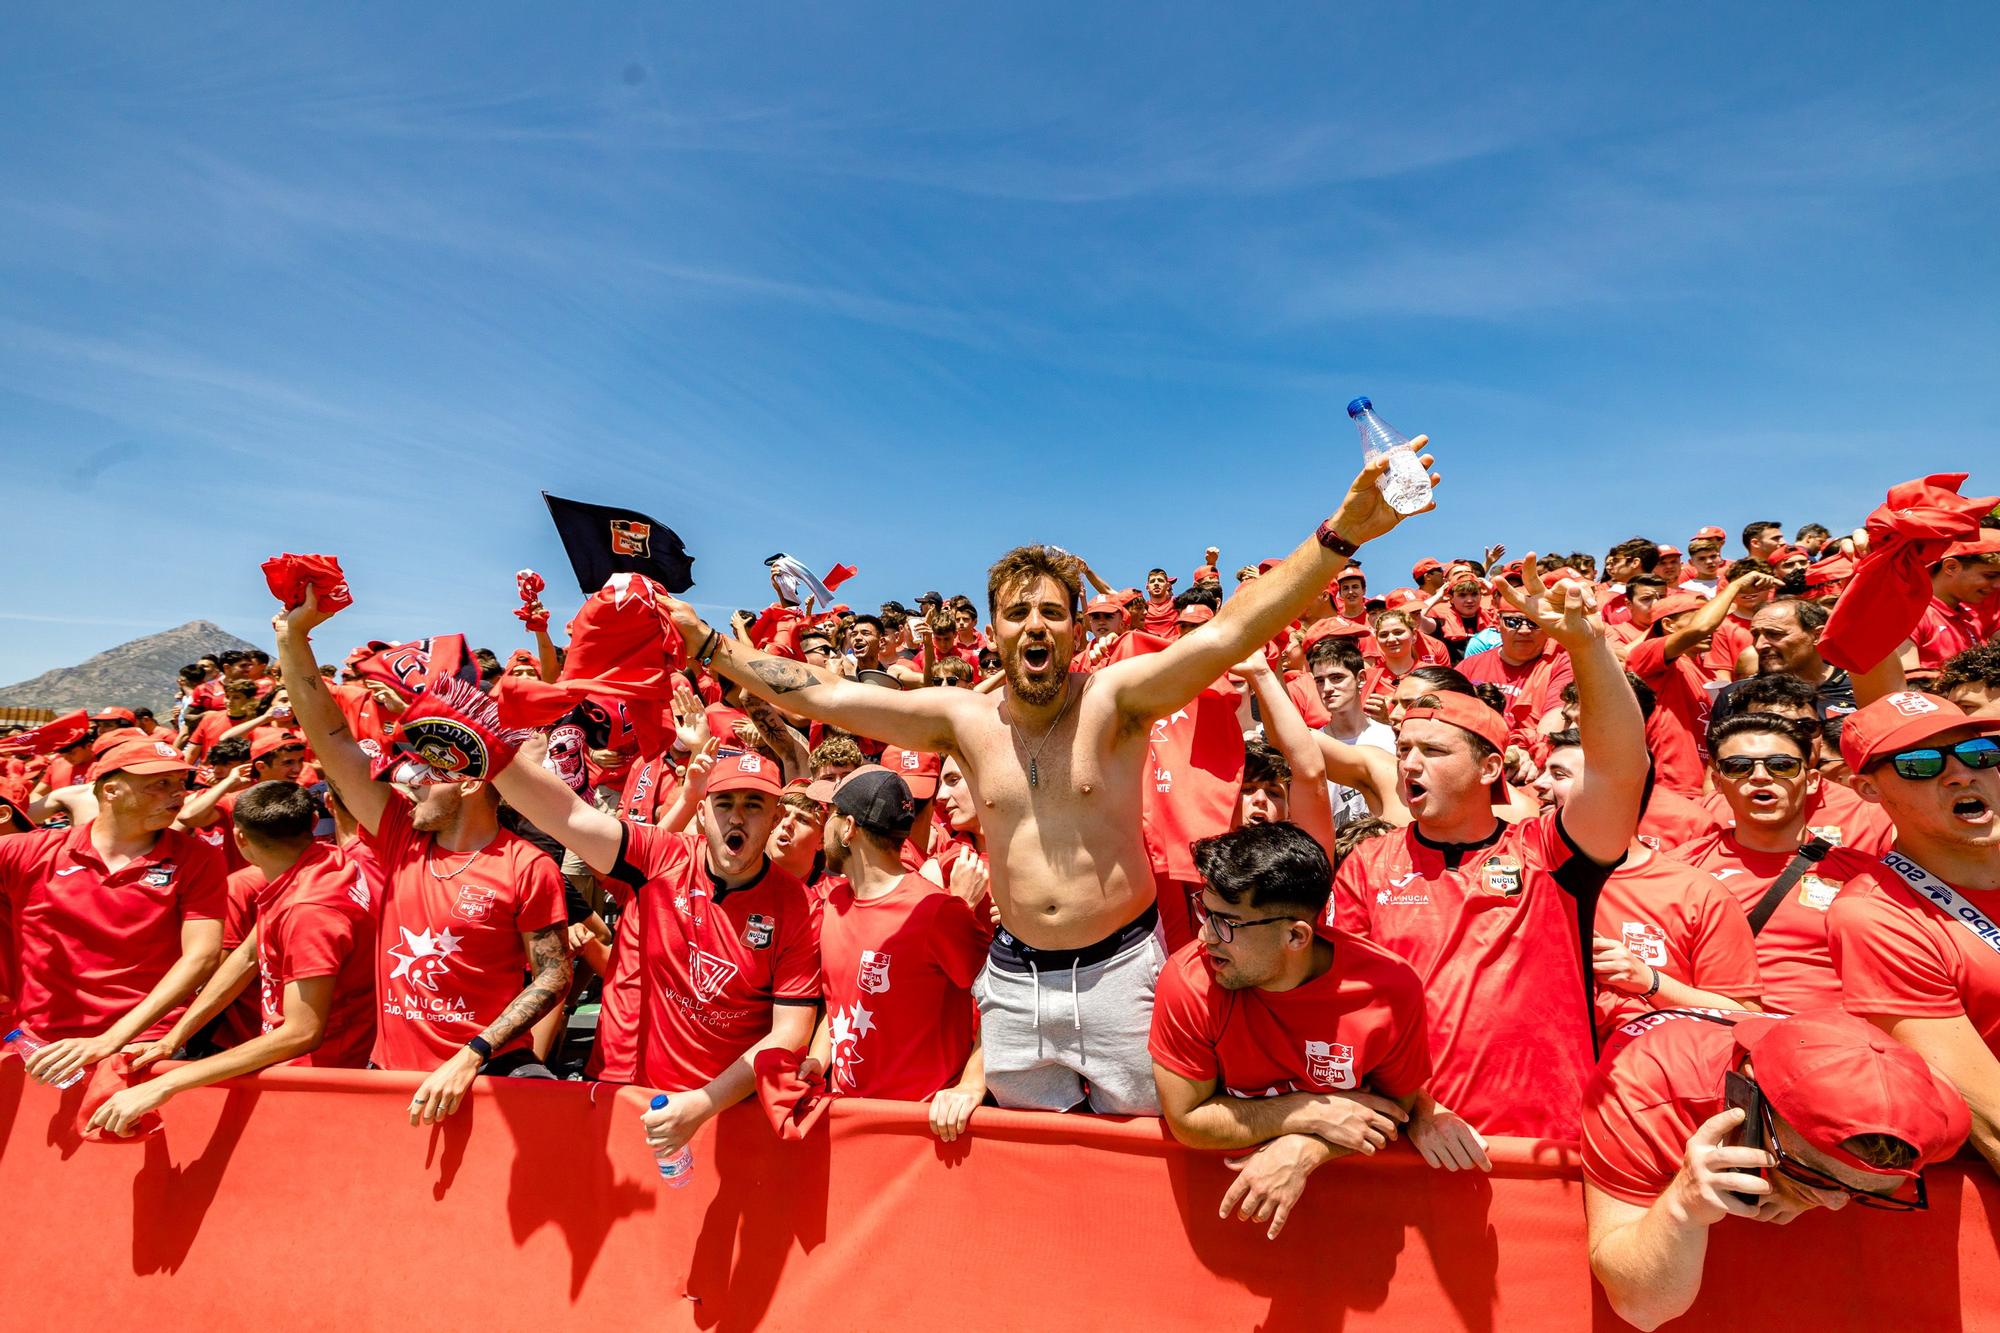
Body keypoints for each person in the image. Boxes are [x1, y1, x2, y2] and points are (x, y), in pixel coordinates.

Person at [658, 447, 1440, 1114]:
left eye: (1052, 612)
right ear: (994, 628)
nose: (1034, 624)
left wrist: (1343, 534)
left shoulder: (1118, 701)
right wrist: (711, 652)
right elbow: (825, 696)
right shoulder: (961, 720)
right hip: (1014, 979)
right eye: (1015, 612)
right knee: (1034, 1166)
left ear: (1074, 625)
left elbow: (1236, 626)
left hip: (1122, 972)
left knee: (1149, 1159)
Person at [1329, 559, 1646, 1141]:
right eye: (1404, 750)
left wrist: (1588, 647)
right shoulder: (1367, 865)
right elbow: (1352, 1005)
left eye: (1435, 750)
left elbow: (1622, 770)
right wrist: (1417, 1109)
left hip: (1548, 1138)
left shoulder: (1549, 851)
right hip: (1413, 1137)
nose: (1411, 764)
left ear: (1491, 767)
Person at [272, 591, 572, 1122]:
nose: (406, 786)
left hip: (484, 1079)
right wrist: (293, 639)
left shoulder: (527, 864)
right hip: (390, 1081)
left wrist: (472, 1055)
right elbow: (330, 735)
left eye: (424, 775)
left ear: (471, 782)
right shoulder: (400, 838)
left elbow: (552, 977)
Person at [486, 742, 820, 1162]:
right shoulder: (660, 858)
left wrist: (704, 1103)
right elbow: (567, 814)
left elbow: (789, 1033)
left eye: (754, 804)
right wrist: (488, 747)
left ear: (774, 817)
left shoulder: (799, 907)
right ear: (702, 812)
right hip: (649, 1103)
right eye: (724, 802)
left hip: (731, 1112)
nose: (736, 816)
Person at [1582, 1007, 1968, 1331]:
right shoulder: (1651, 1090)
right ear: (1750, 1094)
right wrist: (1682, 1207)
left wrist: (1800, 1187)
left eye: (1864, 1192)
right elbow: (1642, 1309)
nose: (1835, 1206)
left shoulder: (1941, 1118)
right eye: (1812, 1175)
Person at [1150, 822, 1444, 1240]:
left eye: (1226, 923)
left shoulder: (1389, 990)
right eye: (1205, 911)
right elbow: (1187, 1120)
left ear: (1296, 934)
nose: (1206, 936)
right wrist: (1307, 1112)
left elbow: (1391, 1110)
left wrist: (1307, 1149)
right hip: (1226, 1226)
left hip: (1356, 1229)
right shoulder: (1188, 981)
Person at [86, 782, 379, 1135]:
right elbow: (247, 955)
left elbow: (302, 1033)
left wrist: (167, 1083)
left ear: (239, 838)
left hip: (317, 1082)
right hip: (295, 1068)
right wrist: (173, 1039)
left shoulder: (309, 911)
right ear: (315, 822)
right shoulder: (319, 865)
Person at [1824, 692, 2000, 1176]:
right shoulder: (1875, 916)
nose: (1962, 773)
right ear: (1867, 790)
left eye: (1978, 753)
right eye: (1920, 764)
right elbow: (1992, 1121)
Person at [0, 737, 226, 1086]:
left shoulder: (198, 859)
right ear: (111, 790)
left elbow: (203, 957)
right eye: (160, 783)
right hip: (42, 1048)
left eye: (181, 783)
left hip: (140, 1049)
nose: (177, 793)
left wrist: (111, 1040)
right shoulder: (29, 852)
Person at [1535, 729, 1761, 1038]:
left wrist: (1648, 980)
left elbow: (1743, 1015)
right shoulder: (1520, 874)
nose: (1539, 784)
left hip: (1648, 1075)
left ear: (1614, 788)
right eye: (1543, 771)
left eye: (1559, 774)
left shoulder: (1695, 892)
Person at [807, 767, 987, 1141]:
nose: (822, 824)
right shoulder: (833, 902)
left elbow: (1003, 1005)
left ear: (848, 828)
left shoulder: (936, 912)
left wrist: (972, 1083)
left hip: (921, 1135)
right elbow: (840, 1005)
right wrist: (815, 1062)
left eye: (830, 813)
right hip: (846, 1122)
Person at [1678, 714, 1884, 1011]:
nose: (1760, 776)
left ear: (1812, 781)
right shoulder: (1684, 868)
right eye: (1738, 767)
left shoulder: (1865, 876)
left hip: (1835, 1044)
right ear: (1717, 782)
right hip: (1719, 1040)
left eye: (1782, 765)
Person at [1910, 537, 2000, 676]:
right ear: (1951, 567)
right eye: (1990, 575)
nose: (1997, 585)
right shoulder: (1911, 613)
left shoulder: (1971, 621)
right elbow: (1905, 686)